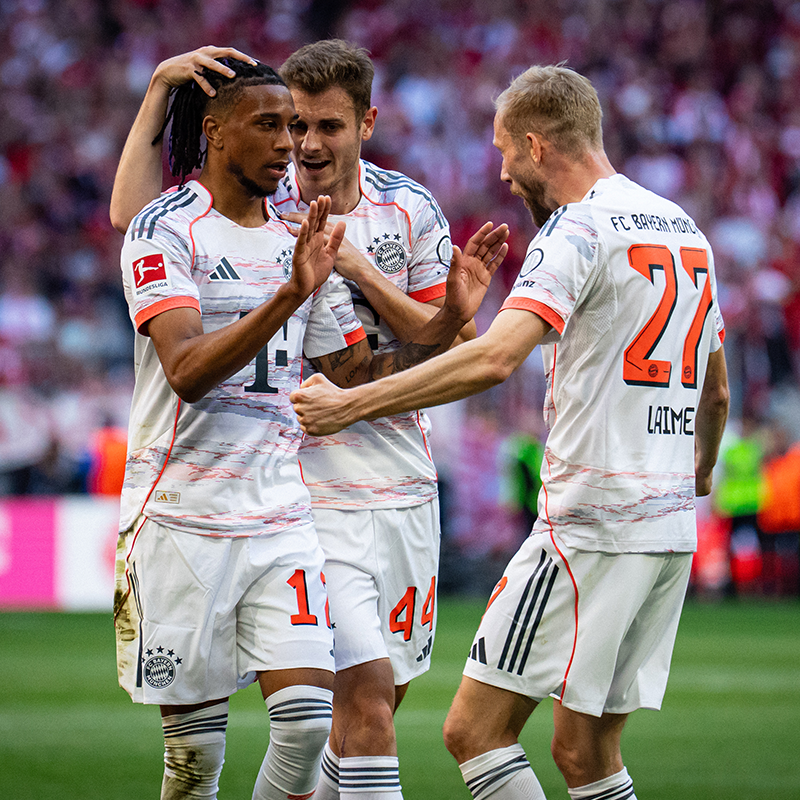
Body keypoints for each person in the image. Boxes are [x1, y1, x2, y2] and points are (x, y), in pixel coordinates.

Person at [291, 64, 730, 800]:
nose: (500, 172)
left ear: (535, 145)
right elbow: (715, 392)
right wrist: (702, 471)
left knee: (475, 731)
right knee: (588, 752)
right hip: (669, 531)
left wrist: (349, 405)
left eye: (503, 151)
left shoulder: (577, 228)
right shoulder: (684, 229)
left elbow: (494, 356)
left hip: (589, 521)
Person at [110, 42, 504, 800]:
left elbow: (373, 363)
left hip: (356, 494)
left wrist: (442, 314)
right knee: (257, 743)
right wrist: (160, 88)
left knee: (340, 720)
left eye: (318, 126)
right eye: (287, 125)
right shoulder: (234, 211)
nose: (299, 144)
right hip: (252, 497)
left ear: (365, 125)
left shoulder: (387, 213)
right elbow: (139, 232)